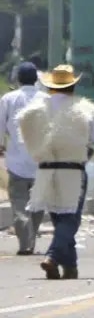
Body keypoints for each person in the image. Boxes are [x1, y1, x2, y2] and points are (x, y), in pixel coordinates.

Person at [19, 65, 94, 280]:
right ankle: (53, 256)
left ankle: (70, 267)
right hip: (73, 171)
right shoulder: (84, 109)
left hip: (45, 171)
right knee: (71, 220)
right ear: (73, 85)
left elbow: (24, 135)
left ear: (50, 86)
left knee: (59, 218)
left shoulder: (34, 110)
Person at [0, 62, 43, 255]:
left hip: (16, 161)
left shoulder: (8, 99)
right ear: (36, 79)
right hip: (41, 162)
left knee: (19, 204)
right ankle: (30, 238)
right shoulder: (46, 99)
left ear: (18, 79)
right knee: (37, 203)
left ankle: (25, 242)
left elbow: (0, 126)